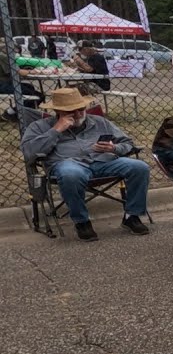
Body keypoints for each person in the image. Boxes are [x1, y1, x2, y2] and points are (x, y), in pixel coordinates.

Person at [20, 87, 151, 241]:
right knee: (71, 174)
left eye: (81, 109)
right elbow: (29, 153)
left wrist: (114, 148)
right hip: (67, 164)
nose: (77, 114)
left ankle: (131, 216)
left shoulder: (100, 122)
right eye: (71, 111)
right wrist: (56, 130)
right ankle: (82, 222)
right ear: (58, 111)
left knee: (140, 167)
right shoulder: (40, 126)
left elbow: (127, 143)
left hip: (103, 161)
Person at [1, 40, 46, 121]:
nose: (15, 52)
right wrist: (34, 71)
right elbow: (18, 72)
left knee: (31, 88)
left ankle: (18, 113)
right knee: (33, 94)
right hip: (3, 84)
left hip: (6, 82)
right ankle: (12, 113)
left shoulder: (5, 55)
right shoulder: (3, 56)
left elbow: (15, 70)